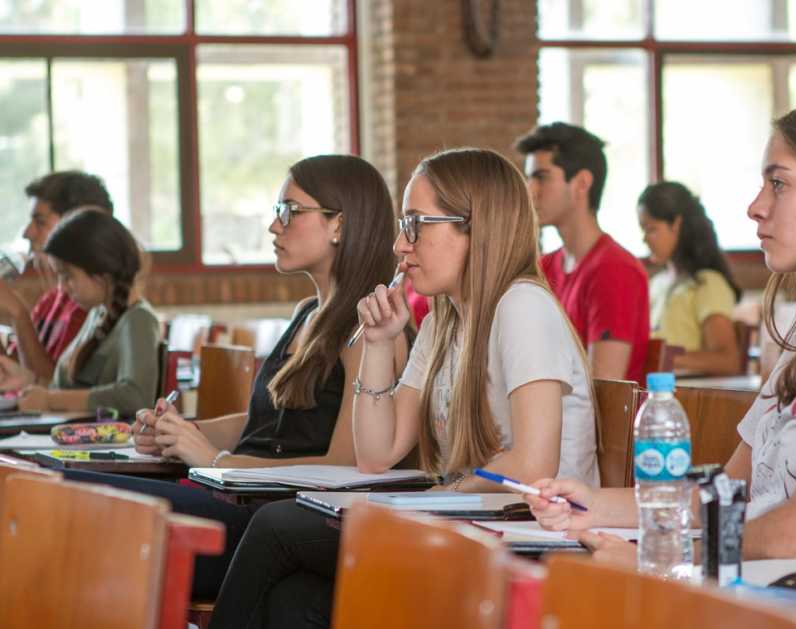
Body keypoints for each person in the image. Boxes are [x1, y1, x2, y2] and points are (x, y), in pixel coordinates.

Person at [527, 96, 796, 575]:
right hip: (772, 594)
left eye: (779, 184)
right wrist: (593, 504)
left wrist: (662, 561)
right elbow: (725, 495)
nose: (756, 207)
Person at [208, 147, 599, 628]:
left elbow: (532, 465)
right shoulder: (444, 319)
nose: (399, 245)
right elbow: (377, 453)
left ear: (475, 228)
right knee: (295, 599)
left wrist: (443, 492)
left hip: (531, 542)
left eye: (415, 224)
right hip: (475, 521)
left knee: (276, 526)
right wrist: (377, 344)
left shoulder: (522, 307)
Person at [62, 155, 407, 600]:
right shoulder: (308, 312)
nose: (274, 227)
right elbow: (263, 422)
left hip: (266, 518)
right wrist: (182, 432)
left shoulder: (372, 329)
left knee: (72, 496)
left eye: (289, 212)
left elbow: (344, 465)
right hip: (229, 494)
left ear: (338, 224)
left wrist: (214, 460)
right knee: (52, 489)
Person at [516, 122, 650, 383]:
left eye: (541, 177)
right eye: (528, 178)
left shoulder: (615, 269)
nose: (529, 190)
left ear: (581, 184)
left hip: (594, 422)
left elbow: (604, 386)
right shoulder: (543, 266)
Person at [0, 208, 159, 416]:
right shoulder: (97, 314)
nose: (63, 288)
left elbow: (136, 397)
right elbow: (72, 389)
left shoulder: (138, 319)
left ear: (101, 272)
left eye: (67, 276)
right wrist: (29, 380)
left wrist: (50, 400)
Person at [0, 171, 114, 381]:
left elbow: (57, 388)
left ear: (77, 228)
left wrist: (18, 315)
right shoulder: (51, 300)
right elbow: (12, 377)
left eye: (40, 222)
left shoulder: (94, 306)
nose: (27, 233)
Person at [638, 181, 742, 376]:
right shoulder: (656, 284)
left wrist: (660, 357)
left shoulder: (706, 284)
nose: (644, 239)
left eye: (651, 229)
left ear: (676, 225)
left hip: (684, 397)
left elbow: (728, 360)